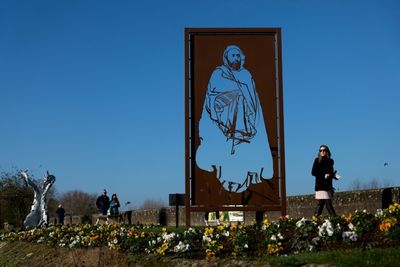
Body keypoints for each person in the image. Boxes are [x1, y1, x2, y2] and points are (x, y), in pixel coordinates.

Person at [196, 44, 273, 193]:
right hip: (224, 118)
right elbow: (214, 92)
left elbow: (252, 96)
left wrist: (243, 94)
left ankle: (246, 167)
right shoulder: (219, 73)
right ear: (226, 58)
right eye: (233, 56)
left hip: (247, 119)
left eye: (238, 56)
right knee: (236, 95)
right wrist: (237, 91)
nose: (236, 59)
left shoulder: (246, 74)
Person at [311, 145, 338, 216]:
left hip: (328, 186)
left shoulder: (330, 161)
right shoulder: (317, 160)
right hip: (320, 185)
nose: (322, 152)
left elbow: (330, 172)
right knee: (327, 203)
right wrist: (324, 175)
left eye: (324, 150)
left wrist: (333, 176)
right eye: (320, 150)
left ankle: (315, 220)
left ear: (327, 151)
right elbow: (313, 172)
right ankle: (335, 219)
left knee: (322, 203)